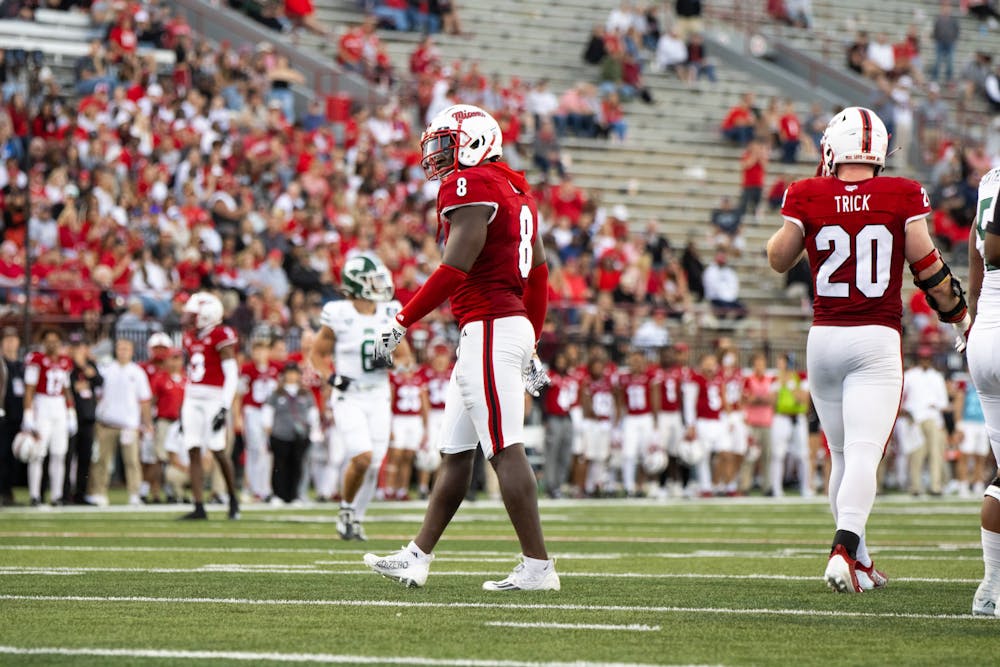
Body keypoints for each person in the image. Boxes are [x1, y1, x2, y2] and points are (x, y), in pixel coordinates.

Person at [767, 106, 970, 594]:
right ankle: (842, 547)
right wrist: (960, 316)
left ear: (832, 149)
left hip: (824, 338)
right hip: (875, 338)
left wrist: (818, 204)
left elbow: (777, 258)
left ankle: (858, 558)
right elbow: (927, 267)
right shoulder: (900, 193)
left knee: (841, 454)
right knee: (863, 452)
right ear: (880, 153)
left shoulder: (807, 192)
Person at [364, 104, 559, 591]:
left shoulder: (473, 185)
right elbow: (538, 276)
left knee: (504, 450)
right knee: (456, 452)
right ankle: (418, 556)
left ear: (475, 141)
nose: (439, 157)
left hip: (490, 327)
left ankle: (538, 567)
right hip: (496, 328)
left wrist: (402, 319)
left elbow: (453, 269)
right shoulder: (516, 190)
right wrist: (532, 340)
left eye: (447, 144)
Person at [311, 254, 406, 540]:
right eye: (371, 280)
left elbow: (405, 358)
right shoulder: (339, 313)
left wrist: (390, 361)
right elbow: (317, 353)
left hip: (378, 396)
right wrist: (330, 377)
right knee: (362, 457)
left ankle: (355, 517)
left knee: (375, 462)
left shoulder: (389, 312)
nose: (379, 285)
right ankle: (346, 510)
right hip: (349, 395)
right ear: (355, 284)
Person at [965, 164, 1000, 615]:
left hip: (985, 331)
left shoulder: (990, 179)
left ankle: (991, 586)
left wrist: (970, 320)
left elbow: (977, 256)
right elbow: (993, 245)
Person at [179, 292, 241, 520]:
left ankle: (233, 499)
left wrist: (225, 407)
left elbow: (231, 374)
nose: (186, 317)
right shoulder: (189, 336)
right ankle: (198, 506)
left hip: (214, 398)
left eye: (192, 314)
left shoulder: (221, 334)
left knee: (217, 449)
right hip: (192, 397)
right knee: (193, 448)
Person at [89, 339, 153, 506]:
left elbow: (144, 400)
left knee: (132, 461)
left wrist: (147, 423)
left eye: (127, 348)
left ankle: (134, 493)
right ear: (116, 350)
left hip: (129, 425)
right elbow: (97, 394)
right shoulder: (106, 369)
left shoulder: (137, 372)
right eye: (120, 348)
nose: (123, 351)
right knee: (102, 460)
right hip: (106, 423)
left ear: (132, 351)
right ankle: (99, 492)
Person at [23, 328, 76, 506]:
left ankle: (56, 495)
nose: (53, 344)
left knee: (59, 454)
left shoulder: (65, 361)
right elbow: (29, 388)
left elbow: (66, 389)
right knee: (38, 453)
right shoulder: (36, 359)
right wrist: (28, 414)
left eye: (56, 340)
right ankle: (35, 495)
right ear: (43, 342)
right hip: (42, 405)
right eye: (49, 340)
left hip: (59, 406)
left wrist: (71, 412)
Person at [262, 362, 320, 505]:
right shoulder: (277, 393)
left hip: (300, 435)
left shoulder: (305, 393)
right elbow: (268, 411)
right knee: (279, 466)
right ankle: (278, 495)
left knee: (298, 465)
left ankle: (295, 495)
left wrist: (314, 428)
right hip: (280, 433)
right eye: (289, 373)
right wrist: (268, 428)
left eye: (294, 373)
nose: (292, 376)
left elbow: (313, 412)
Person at [902, 347, 949, 496]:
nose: (925, 361)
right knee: (916, 453)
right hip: (914, 418)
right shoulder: (909, 375)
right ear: (919, 359)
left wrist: (937, 406)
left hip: (933, 417)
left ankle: (935, 486)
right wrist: (905, 411)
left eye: (927, 358)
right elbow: (902, 396)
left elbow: (944, 401)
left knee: (936, 453)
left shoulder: (937, 376)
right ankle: (915, 487)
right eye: (923, 358)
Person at [238, 338, 279, 502]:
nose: (260, 354)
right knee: (255, 449)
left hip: (270, 412)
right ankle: (253, 487)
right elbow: (238, 394)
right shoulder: (247, 369)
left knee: (267, 451)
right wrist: (237, 417)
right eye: (257, 350)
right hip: (252, 410)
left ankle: (264, 488)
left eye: (263, 350)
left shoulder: (276, 369)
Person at [385, 346, 429, 501]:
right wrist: (388, 424)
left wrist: (425, 428)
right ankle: (389, 488)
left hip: (414, 420)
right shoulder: (394, 377)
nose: (408, 361)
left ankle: (402, 490)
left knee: (409, 455)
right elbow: (389, 402)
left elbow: (424, 404)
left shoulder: (418, 378)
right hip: (398, 418)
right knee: (396, 454)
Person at [67, 335, 102, 505]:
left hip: (88, 418)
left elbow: (99, 381)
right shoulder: (67, 365)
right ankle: (65, 494)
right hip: (71, 417)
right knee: (68, 457)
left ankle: (80, 494)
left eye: (82, 346)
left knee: (85, 458)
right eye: (76, 347)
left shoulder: (90, 365)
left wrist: (85, 366)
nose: (79, 350)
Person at [148, 349, 185, 503]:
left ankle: (176, 493)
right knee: (160, 458)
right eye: (172, 358)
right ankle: (156, 493)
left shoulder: (187, 378)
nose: (175, 362)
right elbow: (152, 401)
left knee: (178, 458)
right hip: (164, 421)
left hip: (181, 423)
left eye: (178, 358)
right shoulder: (160, 378)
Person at [0, 327, 23, 506]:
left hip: (19, 417)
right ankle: (4, 492)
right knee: (2, 455)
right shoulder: (1, 364)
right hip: (3, 416)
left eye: (13, 339)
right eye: (6, 340)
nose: (10, 343)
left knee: (14, 457)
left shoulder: (22, 365)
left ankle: (8, 492)